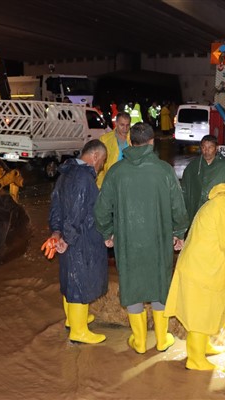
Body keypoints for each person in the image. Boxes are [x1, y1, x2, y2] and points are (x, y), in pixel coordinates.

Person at [94, 122, 189, 354]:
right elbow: (179, 208)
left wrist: (107, 232)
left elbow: (101, 209)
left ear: (130, 141)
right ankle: (161, 339)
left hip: (127, 242)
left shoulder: (116, 172)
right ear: (152, 141)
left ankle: (138, 342)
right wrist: (178, 233)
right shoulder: (165, 170)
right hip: (159, 240)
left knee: (133, 287)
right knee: (159, 285)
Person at [164, 174, 225, 371]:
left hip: (207, 265)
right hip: (202, 268)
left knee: (209, 310)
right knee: (201, 314)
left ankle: (203, 346)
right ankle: (195, 358)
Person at [41, 139, 109, 344]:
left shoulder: (65, 173)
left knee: (70, 278)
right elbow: (77, 213)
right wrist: (68, 239)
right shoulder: (84, 178)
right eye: (103, 161)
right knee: (81, 280)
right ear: (95, 156)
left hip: (67, 237)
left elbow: (56, 207)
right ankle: (79, 331)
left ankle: (73, 319)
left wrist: (56, 233)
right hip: (80, 240)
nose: (102, 166)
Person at [181, 134, 225, 226]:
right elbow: (184, 189)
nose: (206, 151)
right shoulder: (193, 166)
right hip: (195, 212)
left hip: (215, 214)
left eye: (210, 147)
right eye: (203, 147)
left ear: (216, 148)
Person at [96, 112, 131, 189]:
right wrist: (100, 185)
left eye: (127, 125)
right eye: (122, 125)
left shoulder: (134, 138)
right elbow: (99, 165)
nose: (125, 128)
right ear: (116, 123)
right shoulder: (105, 139)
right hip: (111, 182)